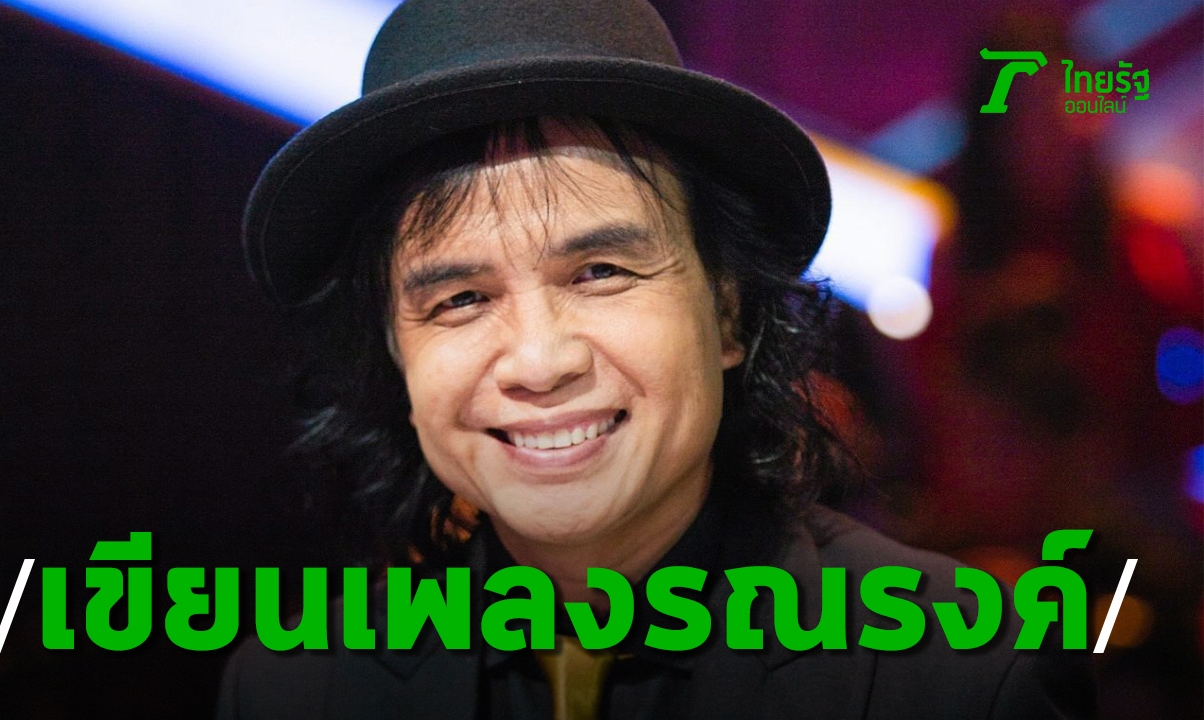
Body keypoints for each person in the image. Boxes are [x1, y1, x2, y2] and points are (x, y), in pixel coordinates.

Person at [219, 0, 1095, 717]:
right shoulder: (295, 689)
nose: (540, 360)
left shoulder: (959, 674)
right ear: (396, 354)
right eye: (460, 299)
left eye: (601, 272)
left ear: (727, 310)